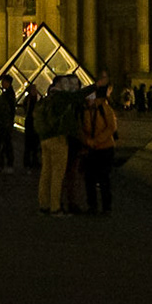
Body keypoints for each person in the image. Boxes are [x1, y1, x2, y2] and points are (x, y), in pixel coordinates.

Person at [34, 73, 84, 217]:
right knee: (58, 175)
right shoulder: (62, 98)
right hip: (59, 139)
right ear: (59, 85)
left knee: (46, 174)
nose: (70, 87)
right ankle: (55, 208)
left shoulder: (47, 99)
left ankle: (44, 205)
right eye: (67, 84)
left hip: (45, 139)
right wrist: (97, 85)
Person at [80, 82, 120, 216]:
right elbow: (82, 129)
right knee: (89, 179)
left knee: (104, 179)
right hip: (91, 149)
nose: (88, 101)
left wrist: (95, 141)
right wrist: (86, 141)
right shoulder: (85, 111)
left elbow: (111, 128)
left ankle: (106, 207)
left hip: (105, 148)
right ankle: (92, 206)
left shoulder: (105, 109)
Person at [0, 76, 18, 174]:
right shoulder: (10, 93)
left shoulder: (7, 95)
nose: (1, 84)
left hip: (5, 123)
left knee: (6, 144)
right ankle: (6, 164)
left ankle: (5, 164)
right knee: (6, 144)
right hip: (7, 122)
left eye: (3, 82)